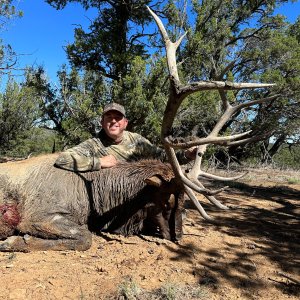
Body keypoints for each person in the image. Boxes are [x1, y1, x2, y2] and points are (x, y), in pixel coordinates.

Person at [54, 103, 195, 172]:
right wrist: (98, 162)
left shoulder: (136, 140)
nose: (113, 121)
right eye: (108, 117)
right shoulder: (93, 144)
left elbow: (163, 156)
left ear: (125, 123)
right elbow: (62, 159)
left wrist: (187, 155)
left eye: (118, 118)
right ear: (102, 123)